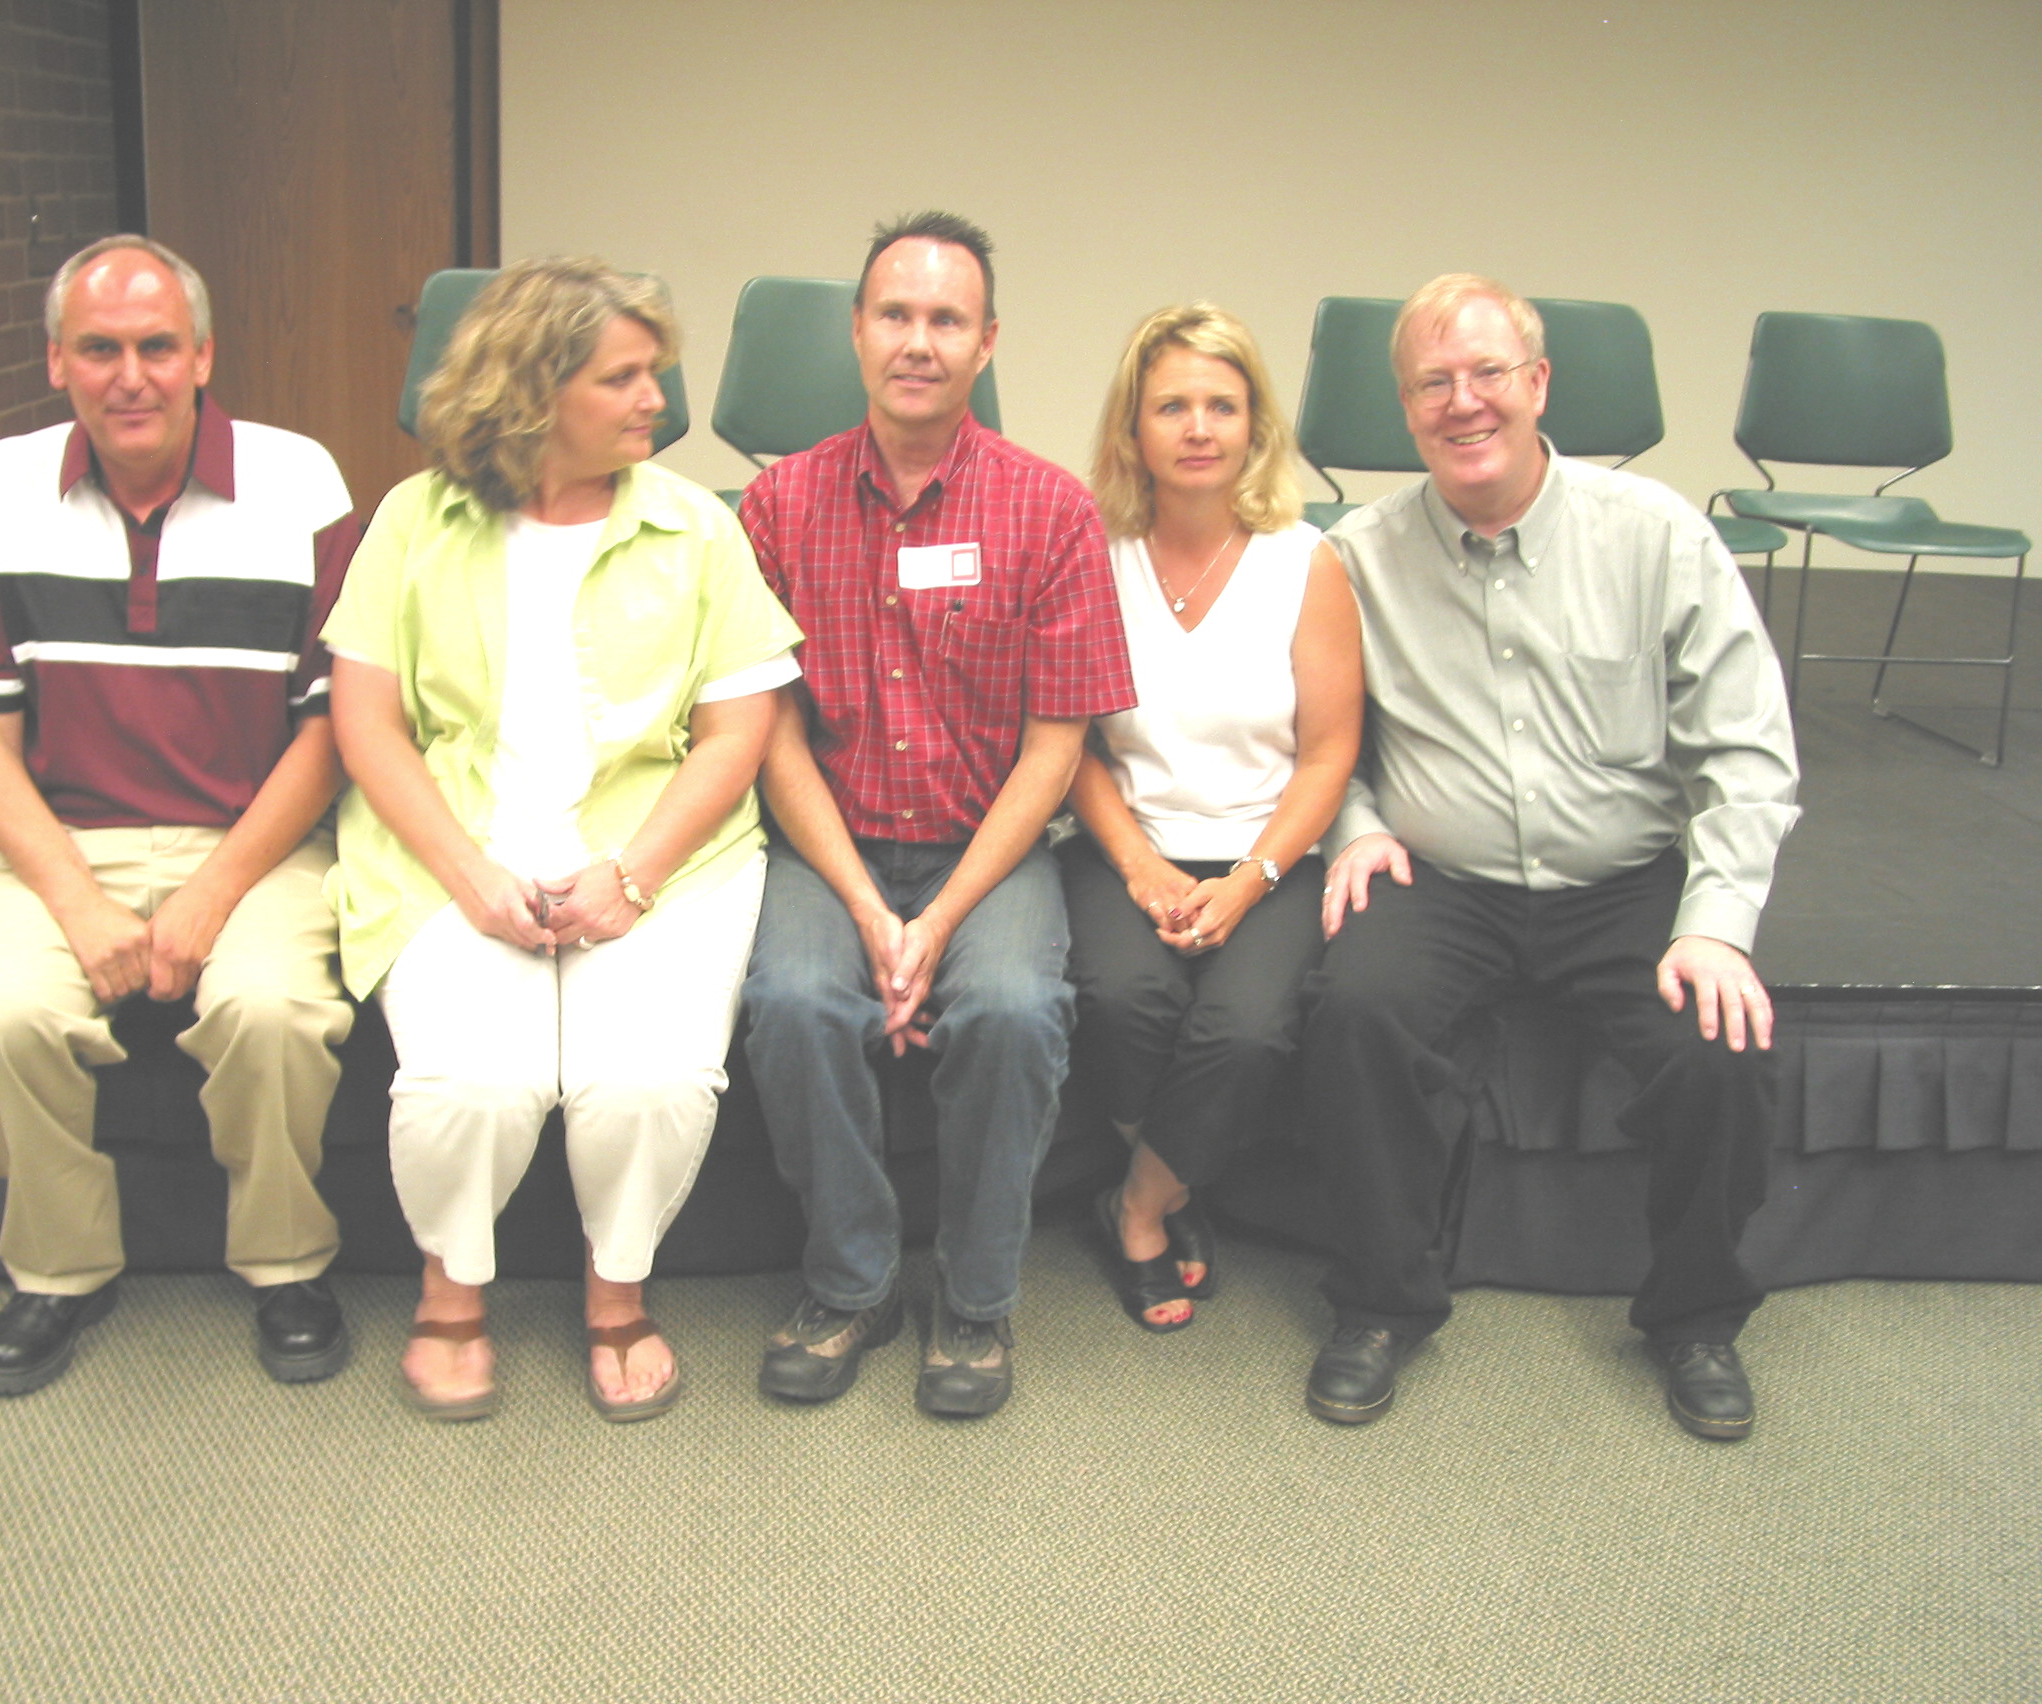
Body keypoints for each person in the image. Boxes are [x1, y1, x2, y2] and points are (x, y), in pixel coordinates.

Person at [1302, 273, 1799, 1440]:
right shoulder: (1356, 556)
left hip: (1622, 881)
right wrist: (1354, 827)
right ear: (1404, 408)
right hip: (1440, 880)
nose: (1462, 402)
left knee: (1717, 1051)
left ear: (1537, 383)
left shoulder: (1655, 535)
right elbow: (1316, 737)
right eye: (1432, 383)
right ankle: (1378, 1305)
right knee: (1355, 1015)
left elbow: (1747, 748)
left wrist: (1715, 924)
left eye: (1487, 373)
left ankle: (1695, 1318)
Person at [324, 258, 801, 1423]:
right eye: (623, 377)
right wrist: (469, 876)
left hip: (663, 857)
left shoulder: (696, 528)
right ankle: (449, 1289)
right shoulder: (412, 520)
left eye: (654, 373)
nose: (656, 400)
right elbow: (366, 722)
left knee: (645, 1081)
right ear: (534, 391)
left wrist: (635, 874)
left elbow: (738, 730)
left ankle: (616, 1290)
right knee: (472, 1083)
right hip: (452, 851)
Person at [0, 235, 359, 1396]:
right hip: (57, 844)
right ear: (56, 361)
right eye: (100, 349)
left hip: (256, 844)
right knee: (4, 1016)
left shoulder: (302, 485)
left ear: (203, 356)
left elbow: (330, 736)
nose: (132, 377)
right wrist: (76, 902)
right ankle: (60, 1272)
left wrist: (212, 894)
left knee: (271, 1013)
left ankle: (286, 1264)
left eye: (158, 347)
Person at [740, 212, 1135, 1418]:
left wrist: (940, 918)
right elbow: (769, 734)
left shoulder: (1052, 511)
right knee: (795, 1002)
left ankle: (975, 1300)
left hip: (989, 847)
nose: (919, 342)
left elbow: (1056, 749)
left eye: (947, 320)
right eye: (896, 315)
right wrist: (869, 911)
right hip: (830, 843)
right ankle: (852, 1283)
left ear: (986, 343)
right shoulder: (778, 506)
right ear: (857, 332)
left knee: (1013, 1009)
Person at [1066, 304, 1362, 1331]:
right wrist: (1139, 867)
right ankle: (1173, 1181)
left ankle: (1140, 1204)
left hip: (1270, 853)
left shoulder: (1306, 562)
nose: (1198, 428)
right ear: (1132, 428)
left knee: (1245, 1030)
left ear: (1254, 426)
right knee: (1120, 1001)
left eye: (1222, 406)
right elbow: (1072, 749)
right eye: (1171, 406)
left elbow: (1328, 753)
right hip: (1127, 844)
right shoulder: (1091, 556)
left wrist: (1250, 881)